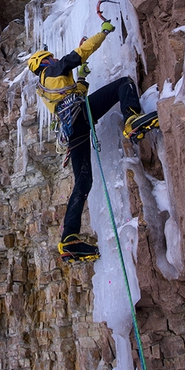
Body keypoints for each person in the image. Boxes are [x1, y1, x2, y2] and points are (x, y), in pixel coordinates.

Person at [27, 21, 143, 262]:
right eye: (50, 58)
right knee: (124, 84)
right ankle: (132, 119)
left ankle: (69, 238)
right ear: (44, 61)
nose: (54, 59)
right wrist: (102, 33)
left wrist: (81, 78)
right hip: (79, 114)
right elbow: (79, 54)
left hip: (72, 128)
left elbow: (73, 94)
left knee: (84, 180)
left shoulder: (45, 86)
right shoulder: (52, 70)